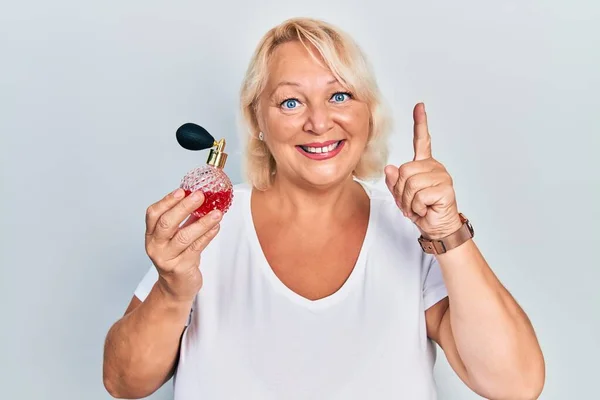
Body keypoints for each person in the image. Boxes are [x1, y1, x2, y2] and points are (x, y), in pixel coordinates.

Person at [103, 17, 545, 400]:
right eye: (291, 102)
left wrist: (449, 232)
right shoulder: (208, 226)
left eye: (339, 96)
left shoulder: (413, 230)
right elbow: (124, 382)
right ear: (258, 119)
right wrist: (173, 290)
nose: (318, 121)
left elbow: (515, 384)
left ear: (367, 113)